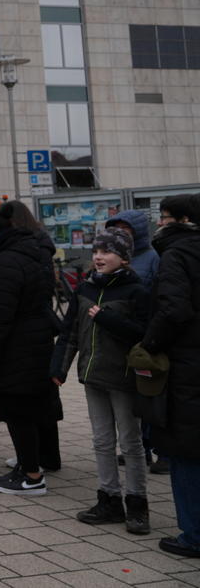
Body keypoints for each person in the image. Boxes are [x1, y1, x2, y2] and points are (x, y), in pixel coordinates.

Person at [51, 227, 151, 533]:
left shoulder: (137, 290)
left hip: (123, 378)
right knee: (101, 440)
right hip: (92, 376)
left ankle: (137, 505)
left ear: (123, 258)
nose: (98, 257)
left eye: (106, 252)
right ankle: (109, 499)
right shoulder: (85, 288)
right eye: (96, 251)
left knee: (130, 442)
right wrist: (59, 367)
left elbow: (145, 334)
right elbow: (69, 331)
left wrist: (107, 318)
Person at [0, 205, 61, 496]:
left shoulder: (6, 260)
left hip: (16, 346)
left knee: (17, 410)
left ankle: (32, 477)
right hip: (32, 342)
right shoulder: (28, 251)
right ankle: (27, 465)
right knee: (28, 408)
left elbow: (0, 314)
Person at [140, 194, 200, 559]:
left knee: (186, 452)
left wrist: (150, 341)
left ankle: (192, 535)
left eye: (162, 217)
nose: (159, 224)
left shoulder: (176, 255)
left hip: (188, 368)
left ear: (180, 220)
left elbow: (173, 310)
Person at [105, 210, 160, 289]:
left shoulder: (153, 257)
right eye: (116, 227)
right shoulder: (108, 255)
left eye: (125, 227)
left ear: (138, 230)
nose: (119, 231)